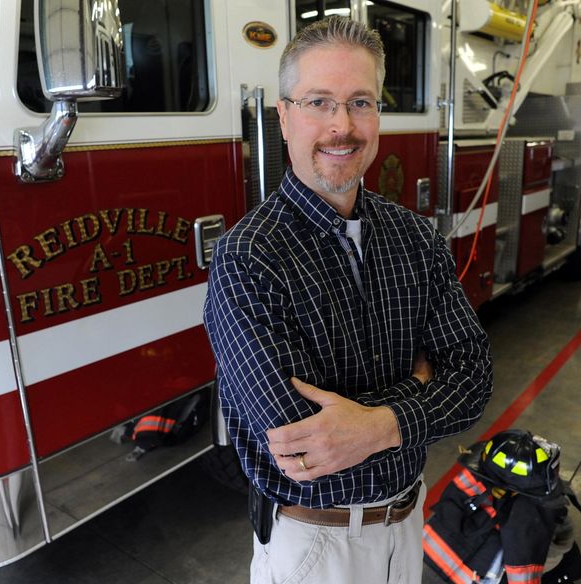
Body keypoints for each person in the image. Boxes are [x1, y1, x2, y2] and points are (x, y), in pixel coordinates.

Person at [203, 15, 492, 584]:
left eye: (360, 102)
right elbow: (302, 447)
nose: (343, 126)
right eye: (318, 102)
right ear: (283, 116)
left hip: (409, 526)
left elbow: (475, 379)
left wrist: (372, 423)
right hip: (316, 549)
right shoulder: (246, 259)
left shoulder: (416, 238)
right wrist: (418, 388)